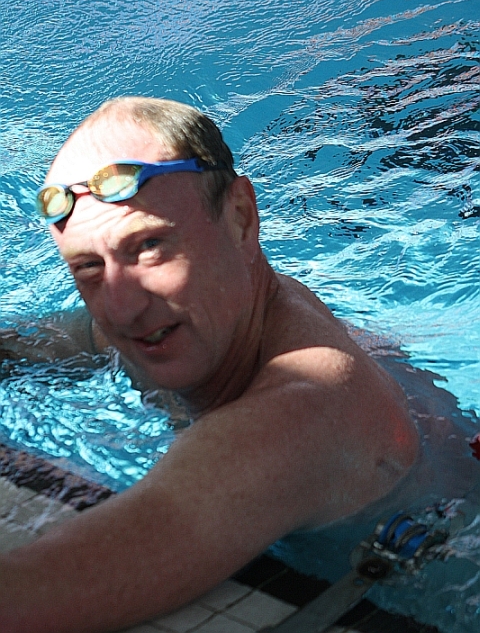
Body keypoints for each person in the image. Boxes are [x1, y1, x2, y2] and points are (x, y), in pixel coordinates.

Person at [0, 96, 424, 632]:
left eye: (149, 246)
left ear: (241, 220)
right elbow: (43, 341)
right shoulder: (190, 318)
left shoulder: (302, 413)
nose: (121, 309)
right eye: (88, 268)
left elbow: (38, 593)